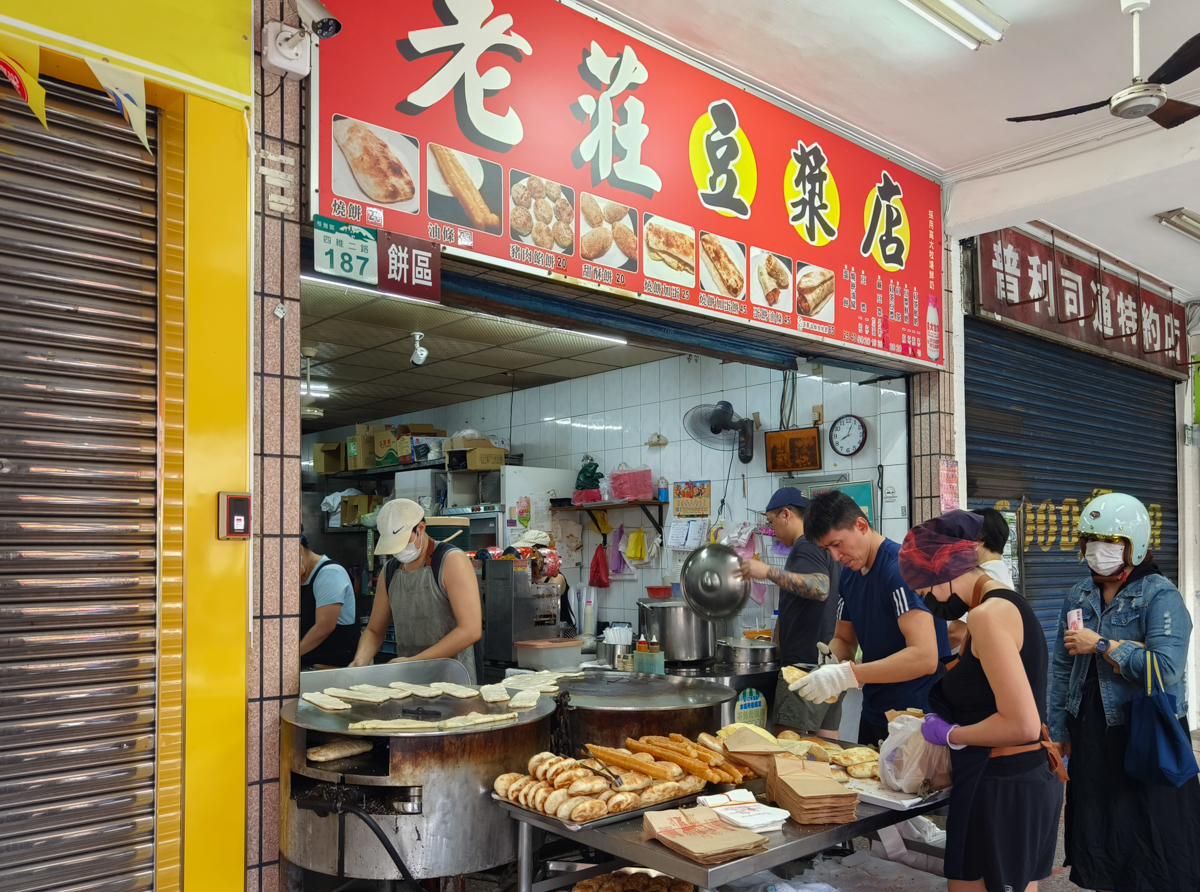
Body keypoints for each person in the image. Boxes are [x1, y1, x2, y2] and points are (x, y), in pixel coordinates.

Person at [900, 510, 1065, 892]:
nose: (927, 600)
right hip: (999, 779)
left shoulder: (988, 616)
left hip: (1006, 785)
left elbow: (1022, 724)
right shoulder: (997, 605)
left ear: (946, 568)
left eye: (925, 587)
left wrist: (953, 734)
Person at [1048, 492, 1200, 892]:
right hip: (1092, 730)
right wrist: (1059, 728)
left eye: (1111, 541)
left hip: (1146, 728)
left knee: (1153, 831)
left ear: (1135, 544)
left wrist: (1103, 645)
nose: (1098, 550)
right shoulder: (1078, 595)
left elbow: (1165, 670)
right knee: (1101, 831)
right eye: (1091, 540)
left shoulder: (1159, 595)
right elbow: (1062, 667)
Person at [793, 490, 950, 746]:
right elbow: (844, 638)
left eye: (837, 544)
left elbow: (925, 657)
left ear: (861, 525)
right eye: (826, 549)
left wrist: (846, 675)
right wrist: (830, 660)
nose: (835, 557)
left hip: (915, 717)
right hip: (875, 712)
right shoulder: (849, 576)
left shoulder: (899, 569)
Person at [736, 487, 842, 739]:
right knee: (824, 749)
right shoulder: (824, 546)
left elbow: (820, 587)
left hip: (804, 671)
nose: (772, 531)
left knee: (786, 751)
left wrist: (767, 572)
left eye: (771, 522)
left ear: (786, 514)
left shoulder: (806, 544)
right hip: (827, 666)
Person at [350, 499, 482, 681]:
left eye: (403, 542)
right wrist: (359, 662)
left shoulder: (451, 561)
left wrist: (414, 662)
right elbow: (374, 630)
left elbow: (470, 629)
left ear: (420, 528)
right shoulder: (390, 571)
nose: (399, 550)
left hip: (453, 682)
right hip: (408, 681)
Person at [944, 508, 1014, 652]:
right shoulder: (1002, 572)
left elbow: (957, 633)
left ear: (979, 539)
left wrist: (927, 655)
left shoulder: (980, 577)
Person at [298, 532, 360, 668]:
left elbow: (324, 626)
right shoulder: (301, 577)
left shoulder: (330, 573)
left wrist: (290, 655)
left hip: (334, 663)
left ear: (299, 550)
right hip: (310, 661)